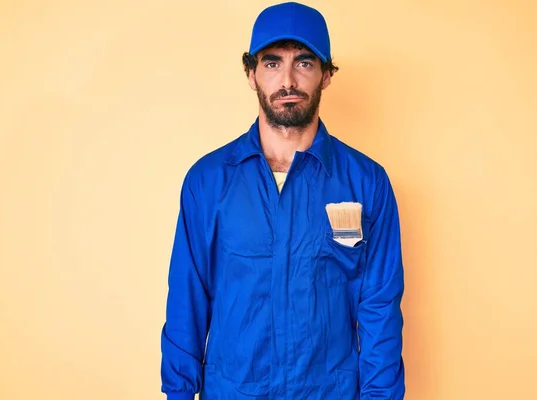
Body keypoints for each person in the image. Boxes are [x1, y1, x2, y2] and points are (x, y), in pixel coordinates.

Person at [160, 2, 405, 399]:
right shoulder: (208, 182)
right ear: (251, 72)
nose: (287, 80)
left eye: (304, 63)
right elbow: (187, 296)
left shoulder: (366, 182)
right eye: (272, 63)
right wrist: (178, 392)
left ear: (326, 74)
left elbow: (380, 308)